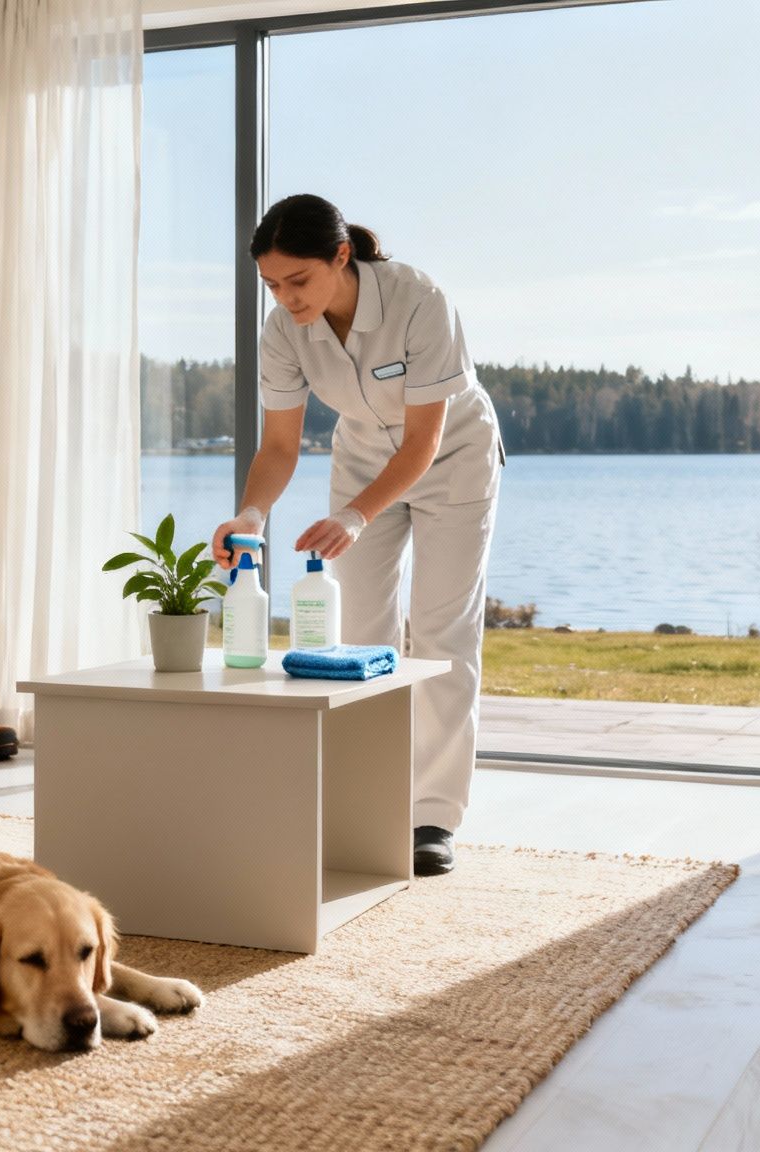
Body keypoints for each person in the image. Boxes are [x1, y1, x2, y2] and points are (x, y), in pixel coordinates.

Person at [211, 193, 504, 876]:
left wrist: (353, 515)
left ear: (341, 256)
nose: (285, 298)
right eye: (272, 285)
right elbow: (280, 445)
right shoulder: (285, 329)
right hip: (366, 456)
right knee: (358, 634)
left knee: (440, 634)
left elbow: (425, 439)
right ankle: (366, 803)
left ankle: (431, 816)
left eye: (298, 280)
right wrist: (251, 515)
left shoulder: (417, 299)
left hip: (452, 458)